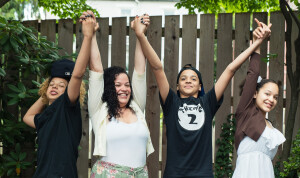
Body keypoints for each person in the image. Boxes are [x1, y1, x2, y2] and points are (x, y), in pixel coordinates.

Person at [131, 16, 276, 177]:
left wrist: (256, 43)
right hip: (174, 174)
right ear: (177, 86)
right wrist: (141, 36)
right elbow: (157, 68)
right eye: (183, 78)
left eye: (194, 79)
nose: (188, 81)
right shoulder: (171, 102)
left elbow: (230, 70)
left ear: (200, 86)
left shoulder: (207, 102)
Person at [22, 13, 96, 178]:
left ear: (69, 90)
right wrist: (46, 94)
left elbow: (77, 75)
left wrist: (88, 36)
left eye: (61, 85)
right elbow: (27, 117)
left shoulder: (67, 107)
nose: (55, 87)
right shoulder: (45, 117)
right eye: (52, 84)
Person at [86, 12, 154, 178]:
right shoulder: (99, 109)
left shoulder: (136, 106)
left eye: (127, 85)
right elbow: (96, 71)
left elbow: (139, 71)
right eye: (117, 85)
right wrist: (92, 35)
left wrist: (140, 34)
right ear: (109, 88)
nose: (124, 89)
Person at [232, 20, 285, 178]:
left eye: (275, 97)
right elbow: (253, 73)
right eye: (267, 94)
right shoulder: (245, 113)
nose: (271, 99)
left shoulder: (271, 127)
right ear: (255, 93)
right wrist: (259, 43)